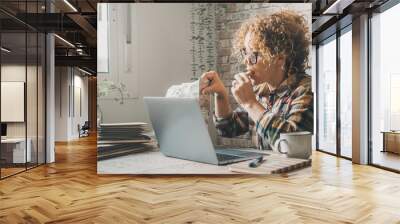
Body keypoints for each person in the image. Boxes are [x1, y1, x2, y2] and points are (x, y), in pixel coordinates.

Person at [200, 10, 313, 150]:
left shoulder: (306, 90)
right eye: (245, 53)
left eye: (254, 54)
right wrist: (221, 94)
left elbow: (292, 146)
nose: (246, 60)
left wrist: (250, 103)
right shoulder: (261, 92)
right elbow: (228, 128)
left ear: (280, 58)